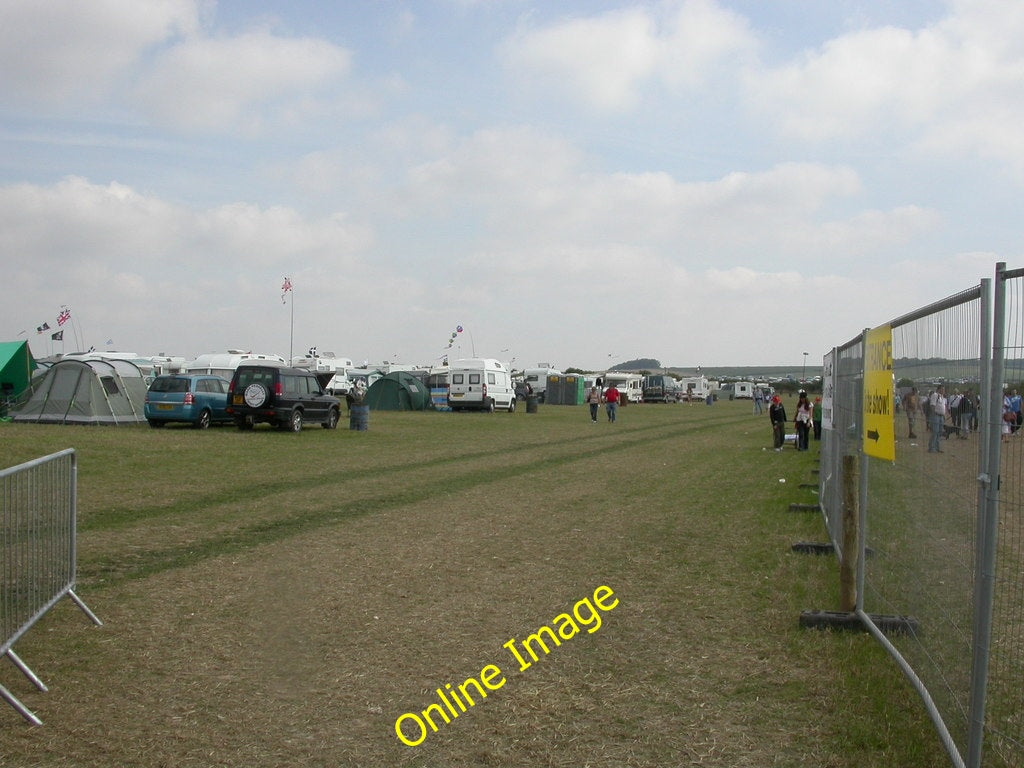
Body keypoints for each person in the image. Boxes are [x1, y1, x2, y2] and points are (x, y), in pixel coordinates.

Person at [928, 385, 947, 453]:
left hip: (941, 416)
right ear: (939, 389)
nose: (943, 391)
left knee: (939, 432)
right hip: (936, 416)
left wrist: (944, 415)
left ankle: (937, 447)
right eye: (942, 389)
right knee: (935, 432)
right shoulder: (935, 395)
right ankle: (932, 447)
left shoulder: (942, 397)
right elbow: (932, 405)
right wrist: (934, 414)